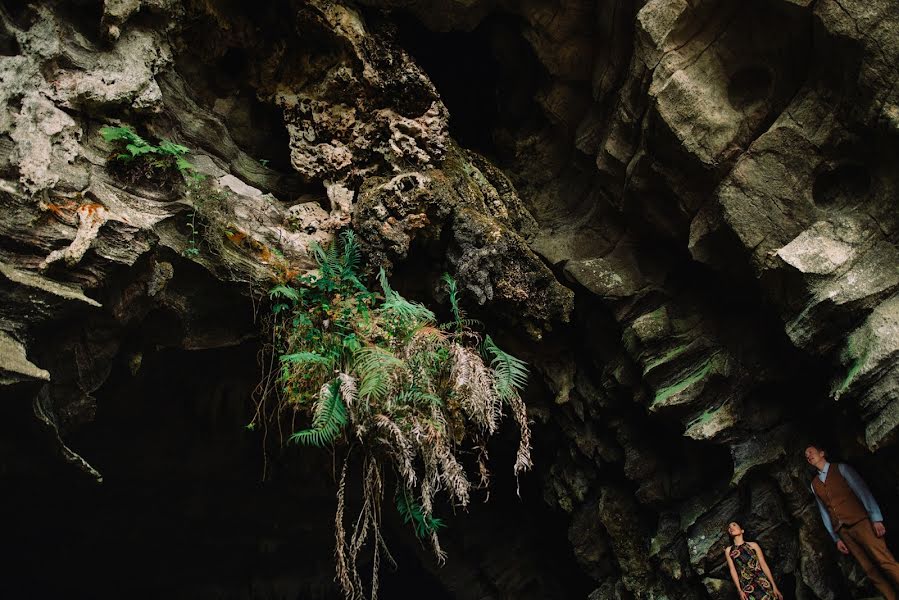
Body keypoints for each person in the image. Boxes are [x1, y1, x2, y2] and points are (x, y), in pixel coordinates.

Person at [805, 443, 899, 600]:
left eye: (811, 452)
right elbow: (824, 513)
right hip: (844, 532)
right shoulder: (814, 485)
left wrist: (876, 518)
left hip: (862, 523)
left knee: (885, 561)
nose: (808, 455)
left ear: (822, 453)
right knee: (870, 571)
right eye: (806, 455)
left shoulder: (841, 469)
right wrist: (836, 538)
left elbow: (862, 491)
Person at [724, 521, 784, 600]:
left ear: (742, 530)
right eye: (729, 527)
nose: (731, 528)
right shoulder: (729, 550)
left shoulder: (753, 545)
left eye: (734, 525)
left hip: (762, 581)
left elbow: (763, 565)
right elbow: (733, 570)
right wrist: (740, 591)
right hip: (746, 585)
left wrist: (774, 586)